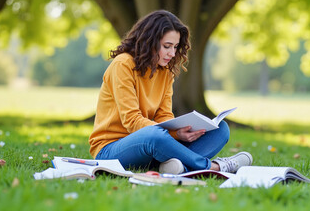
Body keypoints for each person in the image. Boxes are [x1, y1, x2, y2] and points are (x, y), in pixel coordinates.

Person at [89, 10, 252, 174]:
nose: (172, 53)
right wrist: (172, 134)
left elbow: (164, 116)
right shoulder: (123, 64)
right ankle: (213, 167)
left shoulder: (165, 72)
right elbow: (132, 121)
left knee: (220, 129)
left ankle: (174, 167)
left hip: (149, 146)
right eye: (167, 46)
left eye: (175, 47)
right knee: (154, 135)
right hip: (109, 151)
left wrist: (180, 132)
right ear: (149, 42)